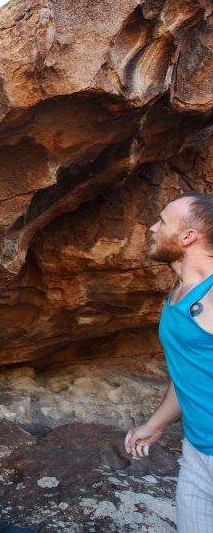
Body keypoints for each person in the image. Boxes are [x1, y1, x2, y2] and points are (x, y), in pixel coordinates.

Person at [124, 193, 213, 532]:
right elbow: (186, 373)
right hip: (196, 451)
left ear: (188, 237)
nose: (152, 228)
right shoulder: (178, 294)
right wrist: (155, 425)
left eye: (162, 221)